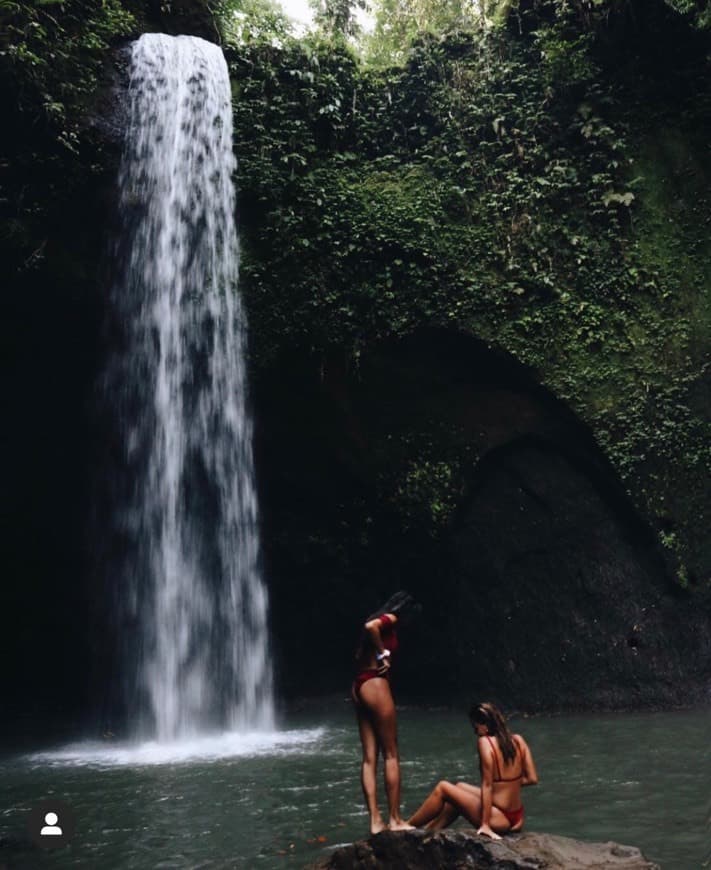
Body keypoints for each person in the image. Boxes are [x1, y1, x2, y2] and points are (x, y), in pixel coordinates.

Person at [408, 700, 538, 839]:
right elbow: (532, 779)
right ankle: (430, 830)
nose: (476, 733)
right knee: (459, 787)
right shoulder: (518, 740)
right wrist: (508, 786)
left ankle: (407, 826)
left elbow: (487, 785)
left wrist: (485, 824)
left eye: (476, 728)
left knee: (443, 787)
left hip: (498, 819)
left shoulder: (485, 742)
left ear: (485, 726)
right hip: (516, 815)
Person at [352, 590, 420, 835]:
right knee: (391, 753)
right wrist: (383, 653)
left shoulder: (380, 619)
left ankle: (375, 821)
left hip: (360, 685)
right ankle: (394, 819)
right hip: (375, 685)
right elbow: (371, 626)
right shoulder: (391, 619)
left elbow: (362, 644)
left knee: (370, 758)